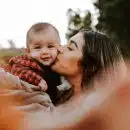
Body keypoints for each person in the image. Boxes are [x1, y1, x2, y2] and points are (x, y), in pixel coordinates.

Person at [8, 22, 71, 105]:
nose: (44, 52)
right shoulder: (27, 62)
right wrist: (37, 80)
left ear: (58, 48)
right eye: (38, 48)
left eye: (50, 46)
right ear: (28, 52)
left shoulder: (57, 63)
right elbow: (18, 70)